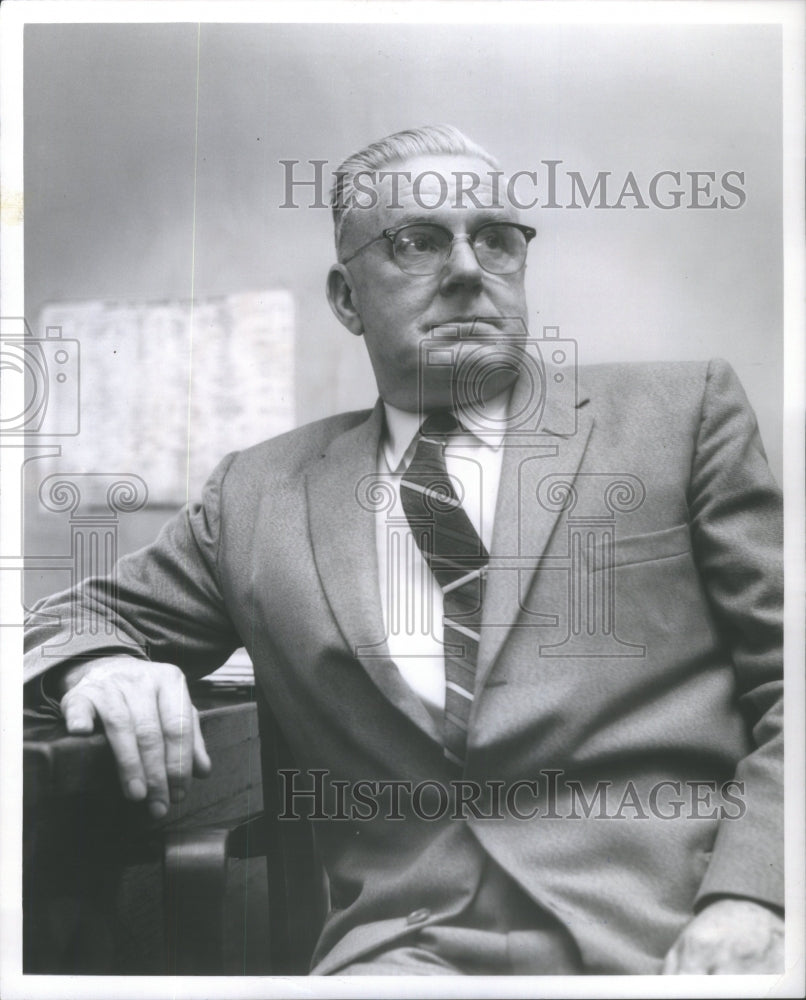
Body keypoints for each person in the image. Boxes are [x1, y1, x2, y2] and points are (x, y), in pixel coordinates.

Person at [24, 124, 783, 975]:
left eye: (495, 239)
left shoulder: (682, 416)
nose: (467, 270)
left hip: (675, 939)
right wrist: (101, 665)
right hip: (405, 955)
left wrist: (755, 897)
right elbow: (70, 618)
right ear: (346, 298)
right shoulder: (255, 494)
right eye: (418, 242)